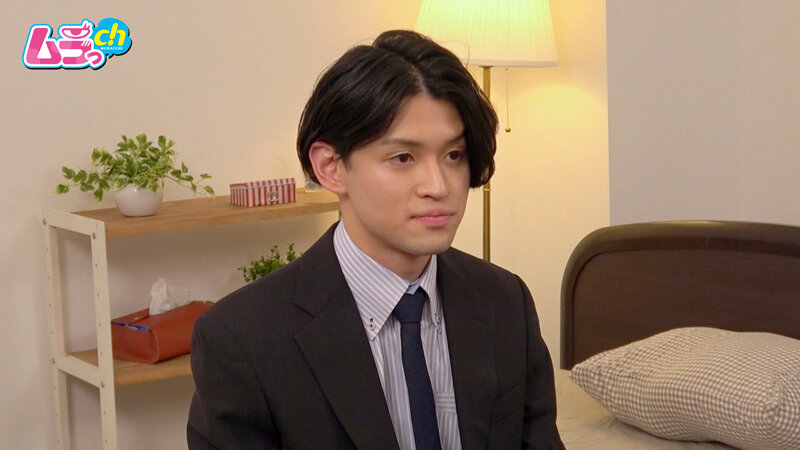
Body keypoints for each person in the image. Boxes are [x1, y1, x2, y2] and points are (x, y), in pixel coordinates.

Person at [187, 29, 564, 449]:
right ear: (330, 167)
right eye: (403, 158)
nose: (438, 185)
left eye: (453, 155)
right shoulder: (242, 338)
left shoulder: (505, 301)